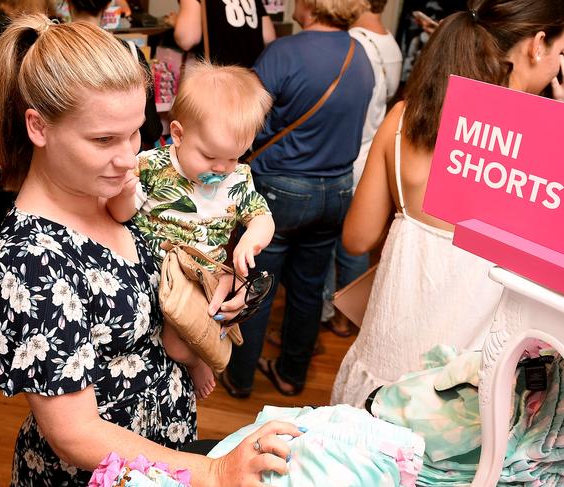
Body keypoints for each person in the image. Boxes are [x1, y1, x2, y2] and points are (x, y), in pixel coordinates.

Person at [0, 15, 300, 485]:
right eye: (104, 139)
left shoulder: (113, 191)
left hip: (164, 452)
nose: (129, 158)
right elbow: (76, 433)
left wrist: (220, 287)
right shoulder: (32, 258)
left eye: (135, 133)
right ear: (39, 128)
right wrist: (217, 471)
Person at [331, 0, 564, 408]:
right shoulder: (545, 147)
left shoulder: (404, 119)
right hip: (464, 391)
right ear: (537, 45)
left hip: (386, 362)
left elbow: (356, 238)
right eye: (561, 53)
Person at [221, 0, 374, 398]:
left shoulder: (284, 52)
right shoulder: (362, 56)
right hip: (336, 191)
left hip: (281, 190)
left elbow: (244, 120)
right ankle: (291, 375)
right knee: (308, 288)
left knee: (256, 283)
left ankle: (239, 378)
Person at [107, 61, 274, 401]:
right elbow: (120, 215)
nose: (221, 169)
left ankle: (198, 362)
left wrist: (251, 239)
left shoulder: (238, 179)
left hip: (196, 282)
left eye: (234, 157)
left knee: (178, 344)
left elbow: (263, 217)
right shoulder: (152, 165)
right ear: (179, 134)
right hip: (149, 275)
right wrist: (125, 194)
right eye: (211, 156)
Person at [320, 0, 403, 338]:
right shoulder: (391, 43)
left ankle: (328, 311)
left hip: (349, 147)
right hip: (372, 149)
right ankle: (348, 317)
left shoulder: (353, 42)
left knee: (334, 241)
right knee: (356, 241)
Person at [66, 0, 163, 148]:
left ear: (68, 3)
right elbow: (152, 131)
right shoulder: (129, 52)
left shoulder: (51, 54)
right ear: (108, 4)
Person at [167, 0, 276, 68]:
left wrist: (177, 22)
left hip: (218, 83)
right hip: (252, 81)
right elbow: (269, 38)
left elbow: (187, 39)